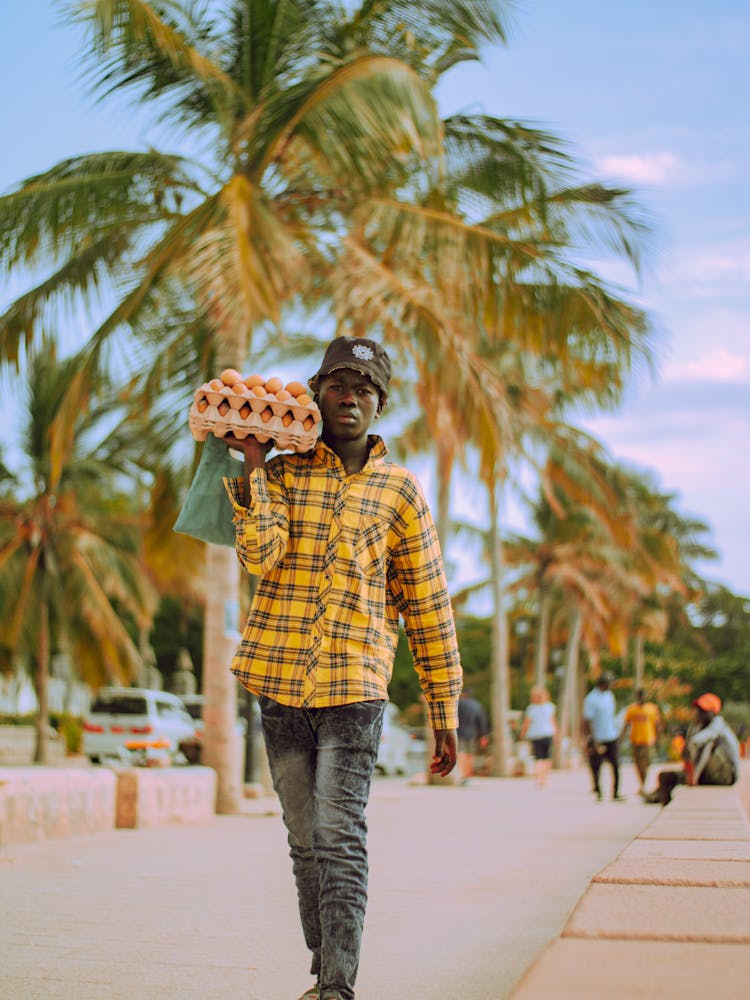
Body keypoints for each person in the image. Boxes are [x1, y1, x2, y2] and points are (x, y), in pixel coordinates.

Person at [222, 336, 463, 1000]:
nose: (348, 398)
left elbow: (429, 605)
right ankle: (322, 960)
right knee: (305, 839)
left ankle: (337, 987)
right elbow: (261, 556)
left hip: (355, 685)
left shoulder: (401, 492)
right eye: (336, 386)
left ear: (380, 401)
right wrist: (251, 465)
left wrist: (444, 713)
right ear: (318, 395)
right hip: (277, 682)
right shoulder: (279, 474)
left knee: (337, 832)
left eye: (362, 388)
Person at [642, 693, 741, 806]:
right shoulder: (699, 727)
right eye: (698, 710)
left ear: (712, 712)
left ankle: (693, 777)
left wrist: (695, 774)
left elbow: (699, 743)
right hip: (708, 774)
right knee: (665, 777)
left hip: (725, 776)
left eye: (702, 711)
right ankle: (662, 801)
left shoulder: (718, 725)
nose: (699, 714)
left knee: (708, 743)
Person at [582, 672, 624, 801]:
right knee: (596, 765)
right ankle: (598, 791)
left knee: (616, 764)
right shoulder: (591, 698)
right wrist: (592, 739)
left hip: (611, 734)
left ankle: (616, 793)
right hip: (597, 736)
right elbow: (588, 720)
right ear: (603, 684)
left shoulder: (609, 695)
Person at [620, 687, 662, 791]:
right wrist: (621, 738)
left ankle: (643, 784)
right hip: (635, 740)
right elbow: (627, 725)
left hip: (647, 740)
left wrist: (658, 739)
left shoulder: (652, 709)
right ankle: (642, 783)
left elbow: (657, 725)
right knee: (638, 763)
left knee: (645, 763)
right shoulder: (632, 709)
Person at [520, 686, 557, 787]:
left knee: (538, 757)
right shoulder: (550, 707)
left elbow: (526, 723)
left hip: (536, 734)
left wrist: (523, 734)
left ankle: (540, 778)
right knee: (546, 757)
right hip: (547, 733)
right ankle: (545, 778)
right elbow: (553, 722)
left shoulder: (531, 708)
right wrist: (556, 734)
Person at [457, 688, 489, 781]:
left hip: (459, 732)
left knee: (461, 753)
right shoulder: (477, 705)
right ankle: (468, 774)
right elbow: (482, 721)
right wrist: (484, 735)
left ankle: (462, 774)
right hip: (472, 733)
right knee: (470, 754)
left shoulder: (458, 704)